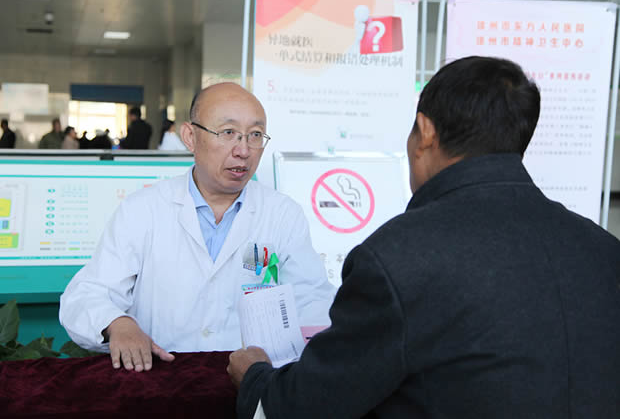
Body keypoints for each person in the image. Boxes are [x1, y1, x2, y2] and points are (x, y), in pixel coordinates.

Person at [228, 56, 620, 418]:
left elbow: (312, 404)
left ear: (426, 131)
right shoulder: (603, 249)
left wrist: (257, 379)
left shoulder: (398, 258)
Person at [60, 82, 335, 372]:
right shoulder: (142, 210)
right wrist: (118, 323)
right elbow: (87, 295)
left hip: (251, 382)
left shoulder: (282, 214)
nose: (243, 150)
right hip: (162, 380)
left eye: (255, 135)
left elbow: (312, 300)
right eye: (228, 132)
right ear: (190, 137)